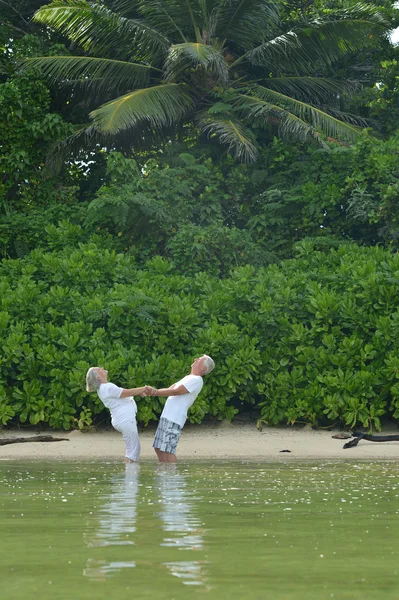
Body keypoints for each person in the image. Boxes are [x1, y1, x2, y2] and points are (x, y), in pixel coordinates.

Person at [152, 355, 215, 463]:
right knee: (158, 447)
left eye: (198, 360)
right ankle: (164, 473)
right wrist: (152, 392)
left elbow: (176, 391)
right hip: (167, 415)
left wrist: (154, 392)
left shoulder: (197, 380)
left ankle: (171, 476)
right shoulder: (188, 377)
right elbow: (170, 389)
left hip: (175, 418)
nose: (195, 359)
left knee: (168, 450)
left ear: (203, 368)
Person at [85, 367, 155, 463]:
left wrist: (139, 392)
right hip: (125, 419)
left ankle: (130, 474)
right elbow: (127, 392)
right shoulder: (107, 387)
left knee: (133, 449)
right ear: (98, 377)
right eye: (99, 369)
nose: (102, 368)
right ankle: (130, 475)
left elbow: (124, 392)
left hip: (122, 419)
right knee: (133, 451)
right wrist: (144, 388)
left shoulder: (105, 388)